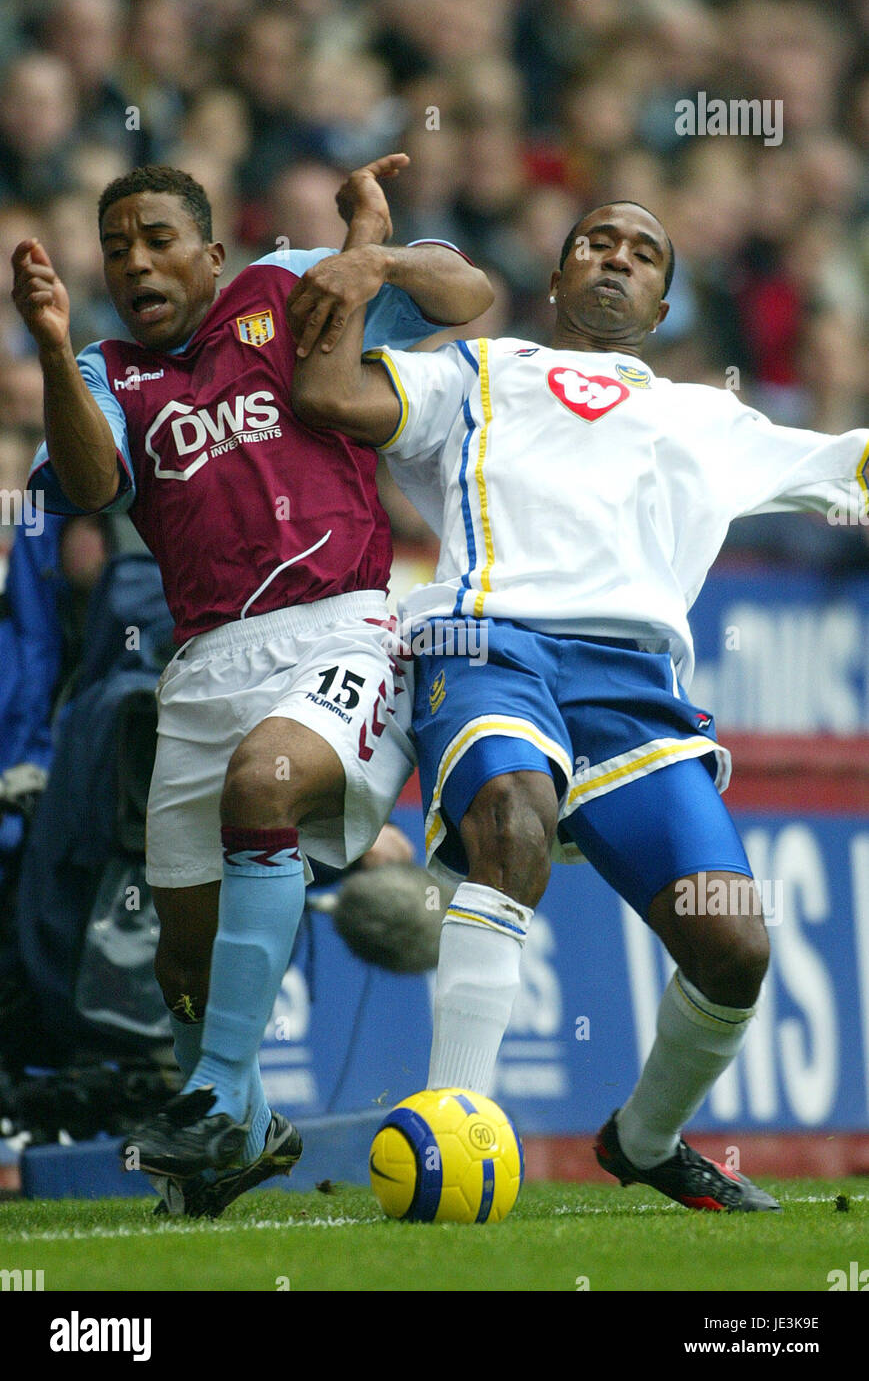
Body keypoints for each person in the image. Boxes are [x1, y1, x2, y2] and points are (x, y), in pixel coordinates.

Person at [290, 199, 868, 1213]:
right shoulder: (474, 372)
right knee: (513, 811)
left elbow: (847, 466)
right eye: (593, 242)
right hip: (488, 645)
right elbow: (329, 393)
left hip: (635, 691)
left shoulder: (705, 419)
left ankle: (642, 1140)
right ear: (553, 281)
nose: (615, 258)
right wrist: (357, 267)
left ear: (659, 304)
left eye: (642, 253)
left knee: (732, 945)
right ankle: (451, 1125)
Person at [13, 155, 492, 1217]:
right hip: (200, 663)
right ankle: (241, 1130)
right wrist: (50, 349)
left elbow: (468, 298)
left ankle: (214, 1091)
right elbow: (92, 486)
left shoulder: (289, 287)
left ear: (213, 253)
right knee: (182, 957)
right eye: (119, 247)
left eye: (158, 238)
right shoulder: (105, 368)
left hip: (339, 629)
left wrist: (368, 259)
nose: (137, 259)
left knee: (262, 788)